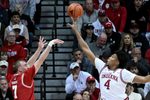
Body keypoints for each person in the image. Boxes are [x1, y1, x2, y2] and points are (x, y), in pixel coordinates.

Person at [69, 17, 150, 100]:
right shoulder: (102, 67)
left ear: (118, 62)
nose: (109, 58)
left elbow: (144, 79)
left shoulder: (123, 73)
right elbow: (86, 49)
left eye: (112, 57)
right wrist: (76, 31)